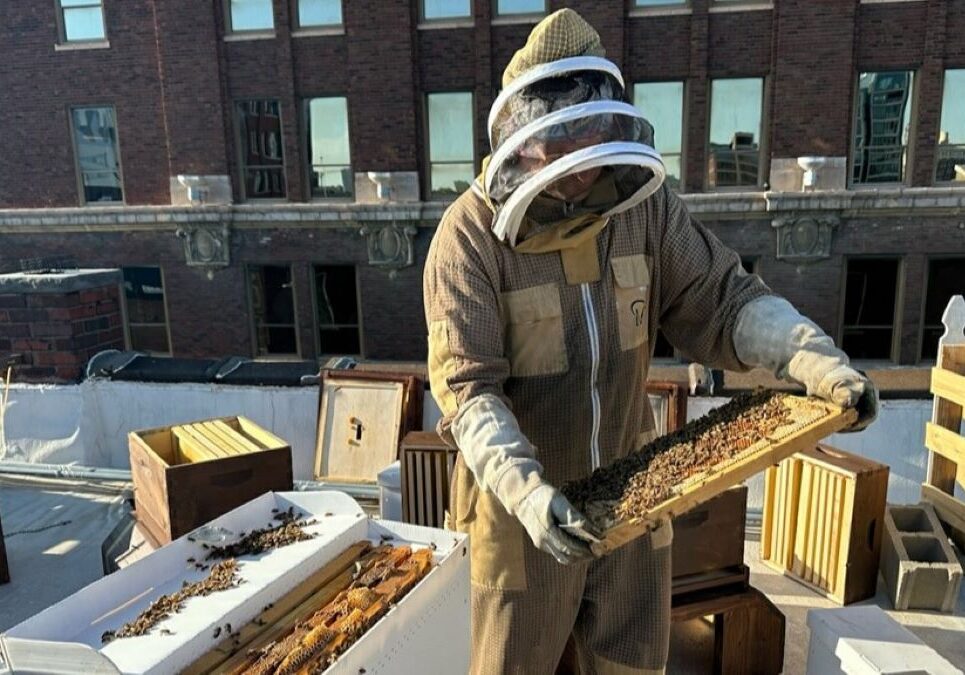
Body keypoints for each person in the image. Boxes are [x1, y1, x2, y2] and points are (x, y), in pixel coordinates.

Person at [423, 9, 876, 675]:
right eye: (565, 140)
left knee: (630, 664)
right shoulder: (468, 239)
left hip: (635, 500)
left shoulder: (643, 209)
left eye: (595, 132)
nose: (583, 163)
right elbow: (467, 390)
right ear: (524, 139)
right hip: (522, 521)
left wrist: (810, 356)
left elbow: (722, 299)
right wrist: (525, 492)